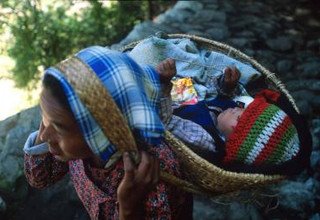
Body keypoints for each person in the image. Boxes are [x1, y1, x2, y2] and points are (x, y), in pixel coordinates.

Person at [23, 46, 193, 219]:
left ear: (102, 130)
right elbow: (39, 178)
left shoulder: (150, 176)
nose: (44, 136)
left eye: (59, 127)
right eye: (44, 117)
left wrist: (128, 208)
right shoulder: (82, 147)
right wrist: (51, 112)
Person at [156, 58, 311, 175]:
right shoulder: (226, 119)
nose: (236, 107)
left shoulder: (205, 138)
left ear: (236, 134)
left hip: (157, 111)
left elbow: (166, 122)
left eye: (239, 115)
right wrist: (227, 86)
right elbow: (222, 99)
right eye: (241, 108)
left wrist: (163, 84)